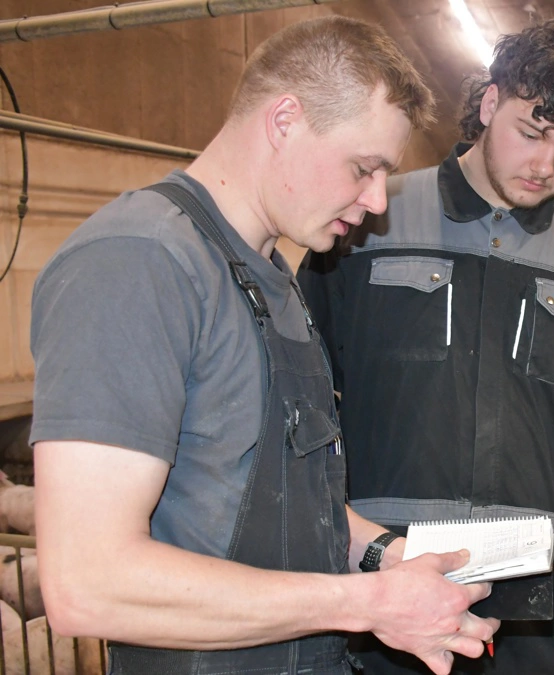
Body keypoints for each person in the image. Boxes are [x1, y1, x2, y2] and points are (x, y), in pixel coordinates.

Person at [30, 16, 498, 675]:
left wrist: (389, 559)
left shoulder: (272, 276)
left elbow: (286, 506)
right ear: (284, 121)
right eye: (364, 168)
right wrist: (364, 602)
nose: (374, 200)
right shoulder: (139, 262)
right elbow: (90, 582)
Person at [297, 18, 554, 675]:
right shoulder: (368, 222)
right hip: (388, 587)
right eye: (532, 134)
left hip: (539, 604)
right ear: (490, 104)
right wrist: (340, 534)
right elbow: (297, 395)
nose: (545, 166)